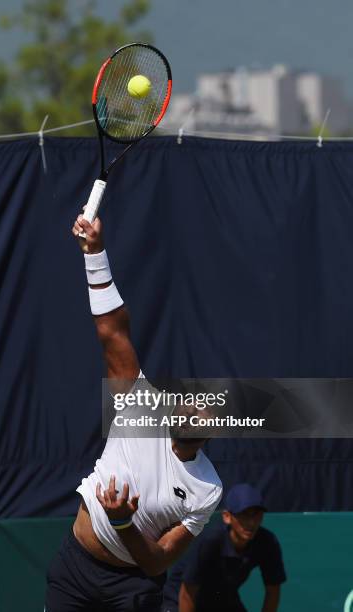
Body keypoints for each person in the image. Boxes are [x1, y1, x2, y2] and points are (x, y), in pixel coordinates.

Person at [44, 212, 223, 611]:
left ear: (211, 433)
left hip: (132, 591)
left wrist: (122, 521)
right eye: (194, 398)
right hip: (74, 569)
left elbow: (159, 559)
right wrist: (94, 254)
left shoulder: (207, 489)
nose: (198, 408)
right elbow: (112, 331)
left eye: (208, 408)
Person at [162, 483, 286, 612]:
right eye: (244, 514)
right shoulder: (210, 541)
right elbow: (187, 593)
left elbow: (273, 590)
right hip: (179, 599)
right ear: (227, 517)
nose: (251, 522)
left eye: (257, 514)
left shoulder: (267, 542)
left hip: (223, 598)